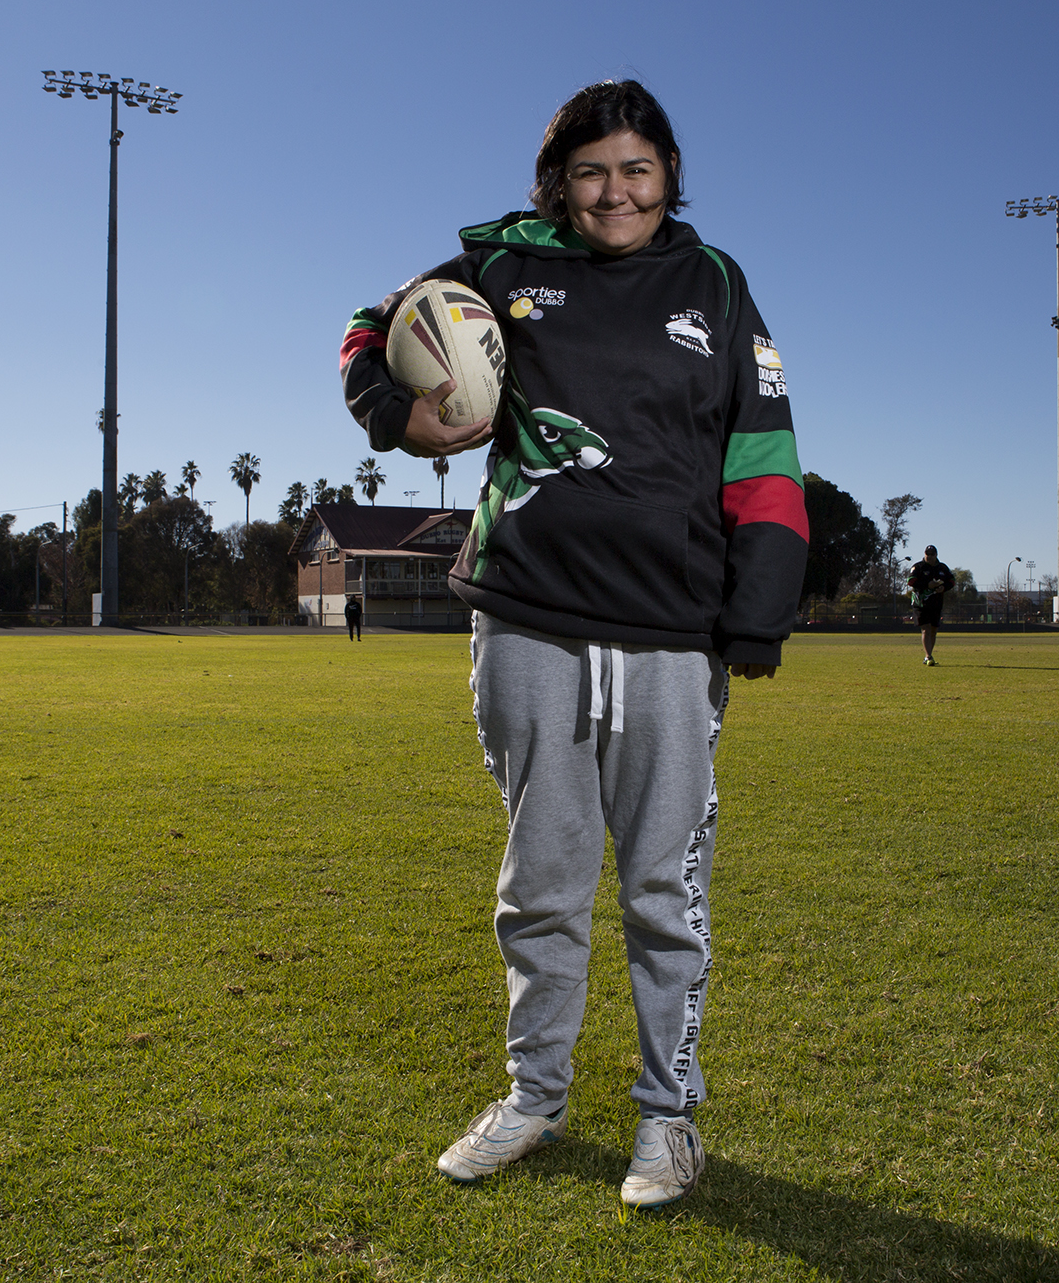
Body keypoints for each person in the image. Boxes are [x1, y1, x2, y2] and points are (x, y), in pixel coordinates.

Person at [338, 80, 807, 1210]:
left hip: (667, 631)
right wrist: (395, 415)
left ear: (667, 175)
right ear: (560, 178)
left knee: (661, 891)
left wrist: (758, 609)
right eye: (593, 171)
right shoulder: (498, 264)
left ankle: (667, 1119)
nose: (615, 192)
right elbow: (371, 328)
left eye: (637, 169)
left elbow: (764, 448)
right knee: (541, 885)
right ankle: (532, 1097)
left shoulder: (716, 284)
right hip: (528, 615)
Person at [906, 545, 954, 666]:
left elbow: (952, 581)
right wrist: (927, 584)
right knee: (926, 629)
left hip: (936, 603)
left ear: (936, 555)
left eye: (932, 554)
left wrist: (944, 587)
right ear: (924, 554)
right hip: (921, 603)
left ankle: (928, 655)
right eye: (928, 554)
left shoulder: (942, 568)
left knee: (933, 630)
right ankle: (928, 656)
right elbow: (911, 581)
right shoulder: (918, 567)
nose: (930, 556)